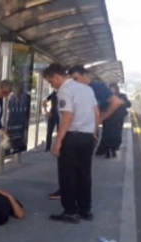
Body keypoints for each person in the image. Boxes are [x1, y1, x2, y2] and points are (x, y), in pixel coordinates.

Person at [43, 63, 99, 223]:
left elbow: (67, 117)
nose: (51, 85)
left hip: (72, 138)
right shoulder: (87, 88)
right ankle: (85, 210)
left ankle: (70, 212)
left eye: (50, 81)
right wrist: (94, 132)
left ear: (56, 76)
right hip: (87, 138)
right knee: (84, 174)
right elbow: (96, 113)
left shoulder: (65, 90)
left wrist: (58, 142)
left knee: (68, 176)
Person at [67, 65, 126, 158]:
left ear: (85, 75)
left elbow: (116, 102)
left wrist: (101, 119)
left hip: (90, 130)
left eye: (76, 79)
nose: (75, 82)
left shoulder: (97, 87)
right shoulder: (77, 89)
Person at [109, 83, 132, 151]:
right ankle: (114, 146)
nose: (111, 90)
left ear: (116, 89)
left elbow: (128, 104)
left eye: (112, 89)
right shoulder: (122, 96)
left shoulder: (111, 96)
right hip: (115, 116)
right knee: (117, 131)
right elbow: (128, 104)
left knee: (116, 132)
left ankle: (114, 146)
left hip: (116, 117)